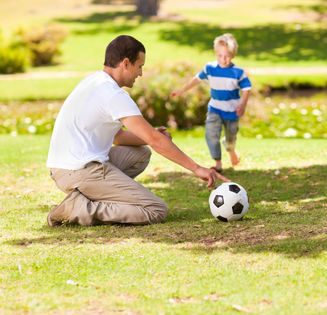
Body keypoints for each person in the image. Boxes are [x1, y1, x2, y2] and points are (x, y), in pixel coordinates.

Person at [46, 34, 228, 227]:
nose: (140, 73)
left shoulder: (94, 82)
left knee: (140, 154)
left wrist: (151, 136)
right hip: (80, 171)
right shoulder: (113, 94)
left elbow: (118, 138)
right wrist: (197, 168)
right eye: (139, 66)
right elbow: (156, 142)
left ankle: (89, 196)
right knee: (155, 210)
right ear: (126, 63)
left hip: (64, 168)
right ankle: (80, 209)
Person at [171, 33, 251, 173]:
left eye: (227, 56)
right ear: (216, 53)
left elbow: (246, 89)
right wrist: (181, 90)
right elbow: (196, 79)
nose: (223, 59)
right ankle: (218, 163)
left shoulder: (238, 72)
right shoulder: (210, 68)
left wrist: (243, 105)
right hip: (215, 108)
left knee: (231, 137)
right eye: (220, 55)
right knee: (211, 134)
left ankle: (230, 149)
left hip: (232, 111)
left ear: (233, 55)